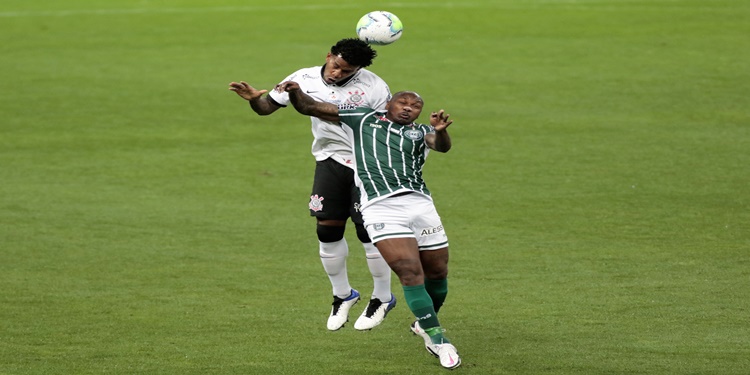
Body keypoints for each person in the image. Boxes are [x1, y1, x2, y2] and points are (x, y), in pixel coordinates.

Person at [279, 81, 461, 370]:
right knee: (409, 271)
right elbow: (312, 107)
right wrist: (294, 92)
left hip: (421, 205)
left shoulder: (422, 132)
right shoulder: (363, 118)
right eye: (403, 103)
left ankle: (424, 323)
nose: (408, 109)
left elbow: (441, 147)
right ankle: (438, 340)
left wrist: (442, 132)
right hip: (380, 207)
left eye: (415, 107)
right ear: (388, 104)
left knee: (438, 273)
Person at [228, 38, 396, 331]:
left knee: (367, 232)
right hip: (329, 160)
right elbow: (267, 107)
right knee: (326, 229)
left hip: (366, 164)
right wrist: (255, 98)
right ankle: (343, 295)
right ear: (328, 55)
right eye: (336, 66)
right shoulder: (302, 78)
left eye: (346, 72)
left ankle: (382, 297)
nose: (337, 74)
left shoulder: (374, 87)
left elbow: (383, 128)